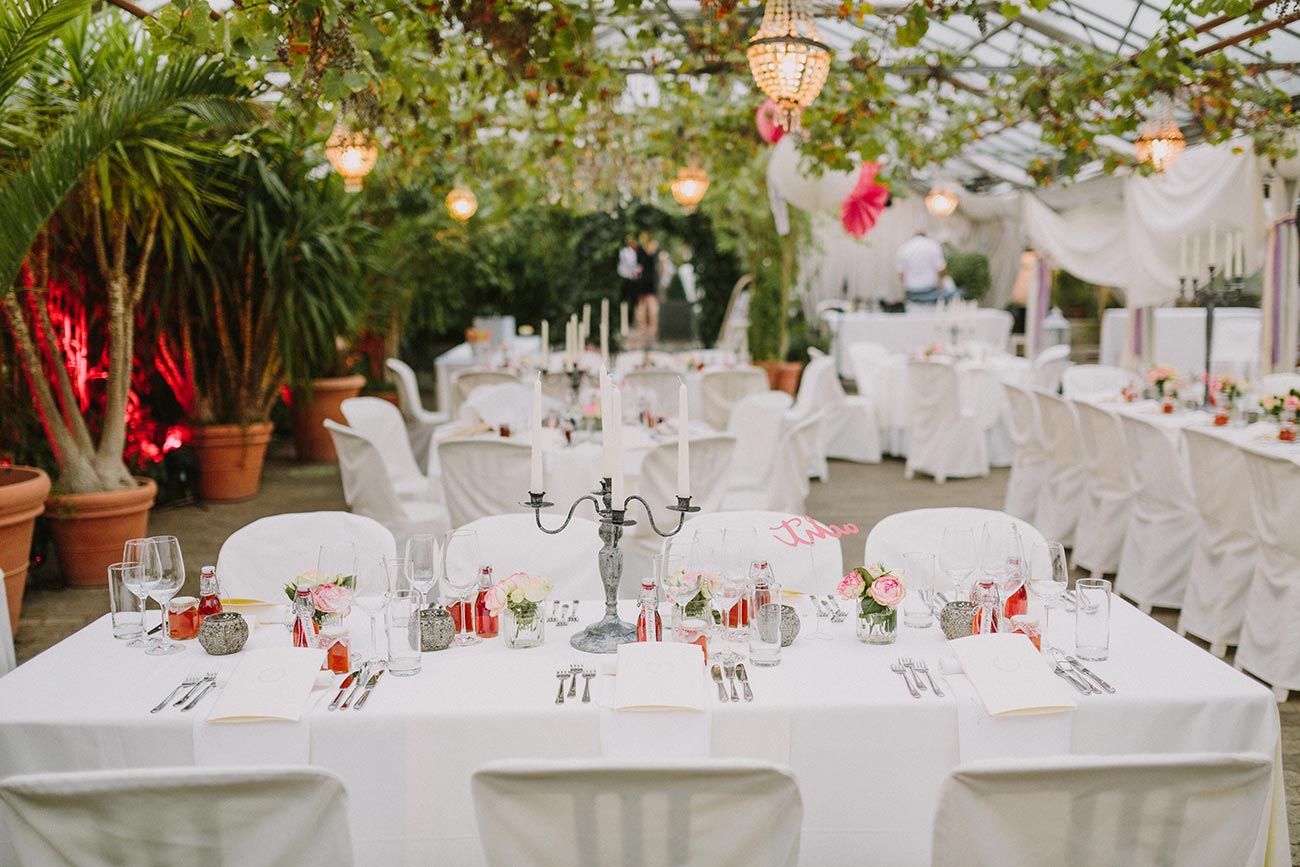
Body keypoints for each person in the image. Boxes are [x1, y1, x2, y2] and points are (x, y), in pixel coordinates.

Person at [896, 231, 959, 304]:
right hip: (930, 291)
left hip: (911, 293)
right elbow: (941, 271)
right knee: (958, 293)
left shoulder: (903, 248)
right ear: (926, 237)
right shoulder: (934, 246)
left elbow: (901, 275)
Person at [636, 233, 660, 338]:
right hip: (649, 279)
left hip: (644, 279)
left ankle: (645, 328)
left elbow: (638, 268)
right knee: (649, 304)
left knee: (644, 304)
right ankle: (652, 328)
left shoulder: (641, 250)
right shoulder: (653, 249)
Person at [617, 236, 641, 309]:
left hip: (632, 278)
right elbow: (630, 264)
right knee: (626, 298)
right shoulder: (626, 251)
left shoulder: (636, 251)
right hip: (627, 277)